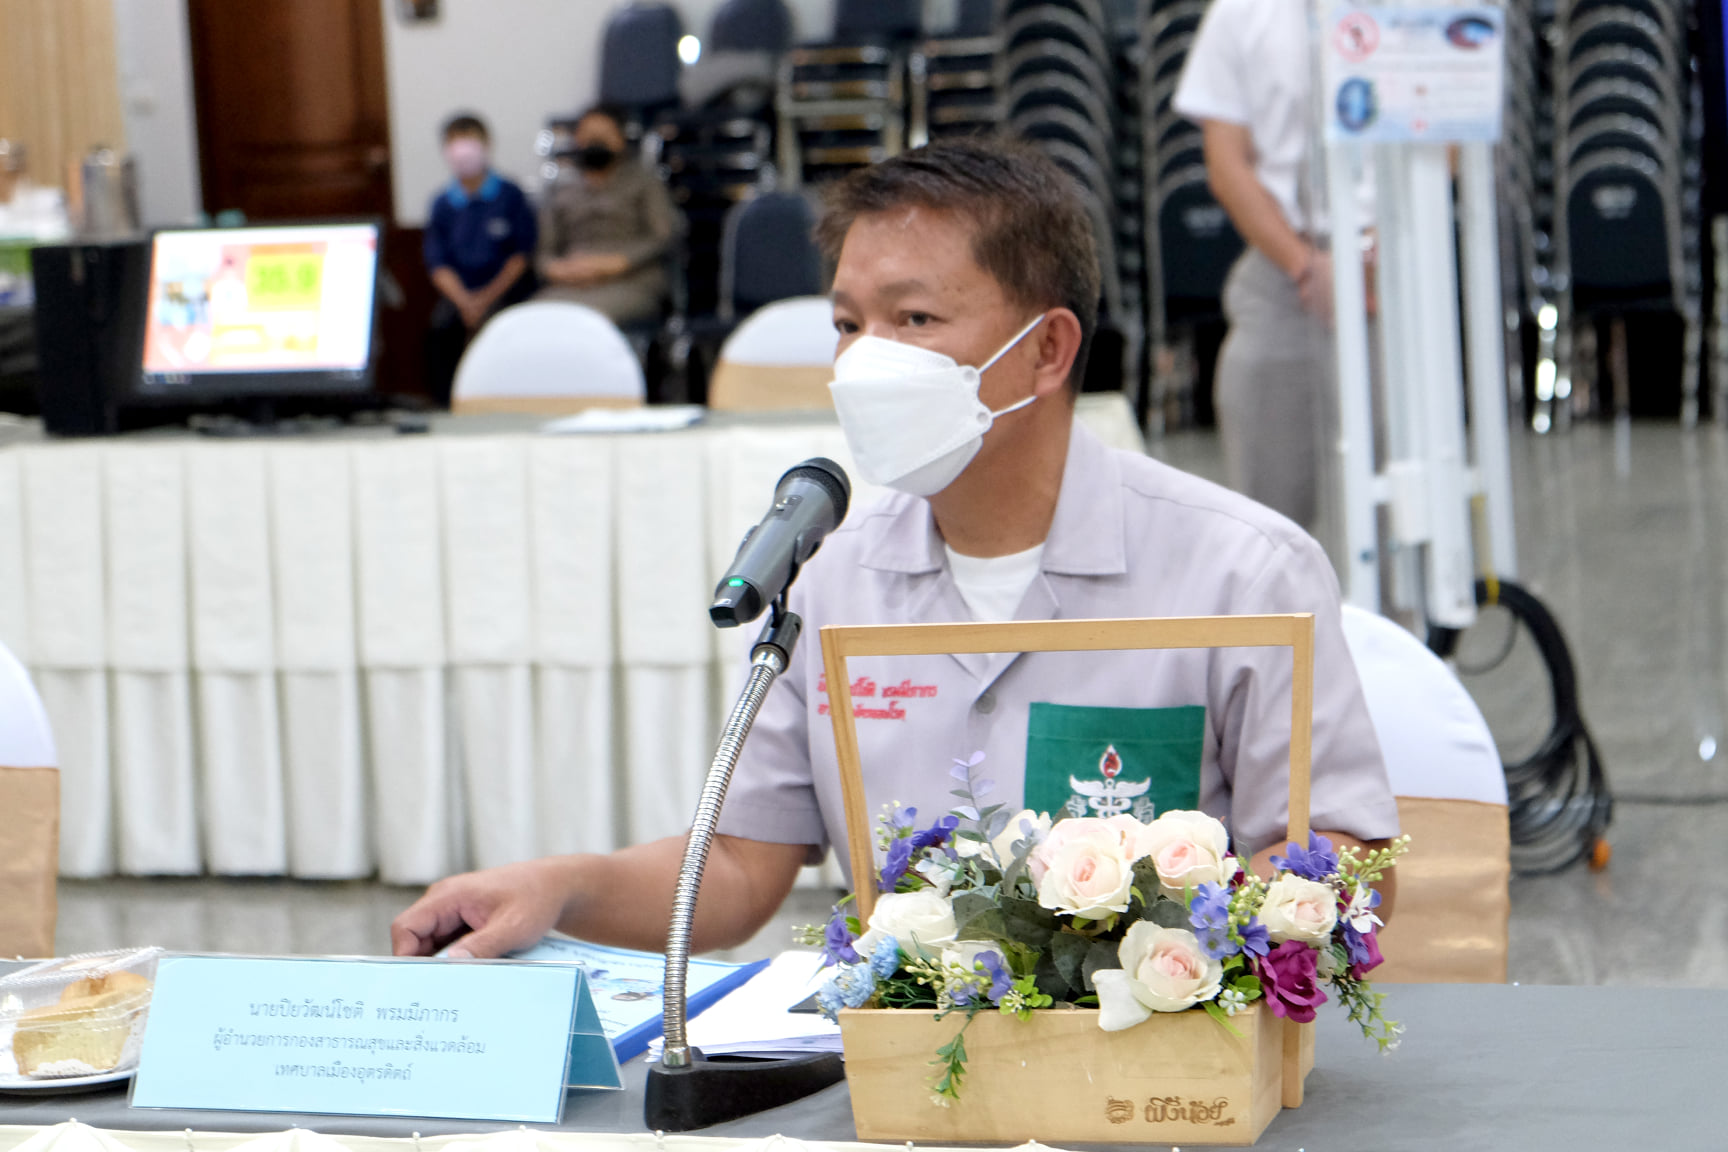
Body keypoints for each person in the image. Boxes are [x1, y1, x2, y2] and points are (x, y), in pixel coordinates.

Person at [392, 137, 1398, 961]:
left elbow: (1352, 862)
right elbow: (742, 868)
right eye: (847, 324)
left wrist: (1145, 946)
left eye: (912, 319)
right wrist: (559, 886)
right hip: (915, 1082)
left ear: (1047, 350)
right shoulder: (829, 577)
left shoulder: (1242, 570)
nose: (865, 362)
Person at [1172, 0, 1353, 546]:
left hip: (1388, 264)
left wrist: (1364, 260)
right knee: (1268, 497)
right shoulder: (1241, 14)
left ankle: (1403, 625)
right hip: (1285, 264)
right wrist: (1305, 265)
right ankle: (1279, 623)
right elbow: (1227, 165)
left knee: (1398, 484)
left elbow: (1447, 147)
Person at [422, 113, 539, 407]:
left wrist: (486, 298)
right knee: (441, 329)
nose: (463, 150)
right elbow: (438, 264)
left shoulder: (510, 195)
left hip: (504, 289)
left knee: (512, 327)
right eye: (455, 142)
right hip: (461, 294)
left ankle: (517, 402)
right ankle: (446, 407)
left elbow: (519, 257)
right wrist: (464, 301)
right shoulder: (442, 203)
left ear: (487, 144)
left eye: (470, 140)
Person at [534, 106, 679, 326]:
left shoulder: (644, 182)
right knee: (529, 319)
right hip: (569, 283)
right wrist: (558, 269)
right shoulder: (559, 188)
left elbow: (663, 236)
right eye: (589, 136)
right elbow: (544, 252)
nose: (595, 143)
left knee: (585, 320)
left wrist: (617, 263)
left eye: (603, 136)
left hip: (629, 280)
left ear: (620, 139)